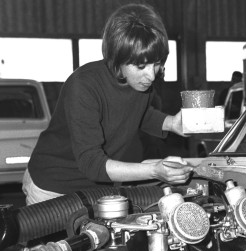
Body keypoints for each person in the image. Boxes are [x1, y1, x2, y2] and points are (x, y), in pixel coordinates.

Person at [22, 3, 193, 205]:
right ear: (118, 58)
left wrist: (172, 123)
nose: (151, 74)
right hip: (53, 185)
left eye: (157, 63)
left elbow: (140, 114)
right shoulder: (84, 86)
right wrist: (155, 171)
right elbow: (92, 163)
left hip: (99, 187)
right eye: (141, 65)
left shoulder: (139, 82)